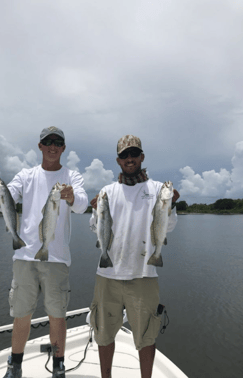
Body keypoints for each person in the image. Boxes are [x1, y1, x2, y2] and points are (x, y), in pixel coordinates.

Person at [0, 127, 88, 378]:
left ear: (64, 148)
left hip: (57, 258)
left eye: (58, 142)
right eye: (47, 141)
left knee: (57, 316)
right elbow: (6, 199)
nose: (53, 146)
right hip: (24, 257)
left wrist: (72, 196)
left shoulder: (72, 176)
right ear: (40, 146)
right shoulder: (26, 175)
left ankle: (58, 367)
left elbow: (83, 205)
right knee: (21, 315)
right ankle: (15, 366)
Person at [89, 135, 180, 378]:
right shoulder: (107, 191)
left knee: (147, 336)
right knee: (104, 334)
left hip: (144, 274)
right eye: (124, 155)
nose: (129, 159)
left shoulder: (159, 189)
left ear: (141, 157)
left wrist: (169, 205)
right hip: (107, 274)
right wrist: (96, 211)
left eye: (134, 154)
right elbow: (94, 227)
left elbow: (168, 227)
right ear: (118, 160)